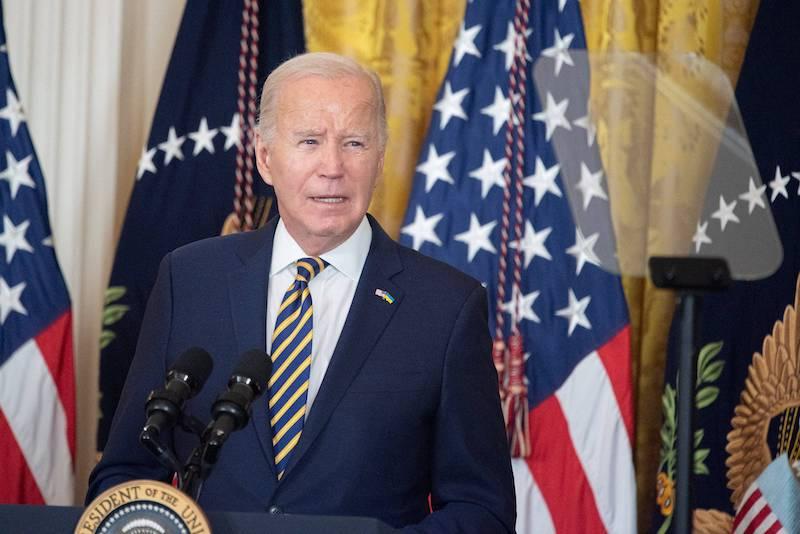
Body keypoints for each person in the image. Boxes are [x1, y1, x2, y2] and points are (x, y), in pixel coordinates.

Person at [87, 52, 515, 532]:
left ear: (379, 158)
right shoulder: (189, 279)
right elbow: (125, 475)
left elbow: (484, 512)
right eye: (309, 141)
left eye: (354, 143)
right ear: (265, 157)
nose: (332, 166)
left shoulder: (446, 306)